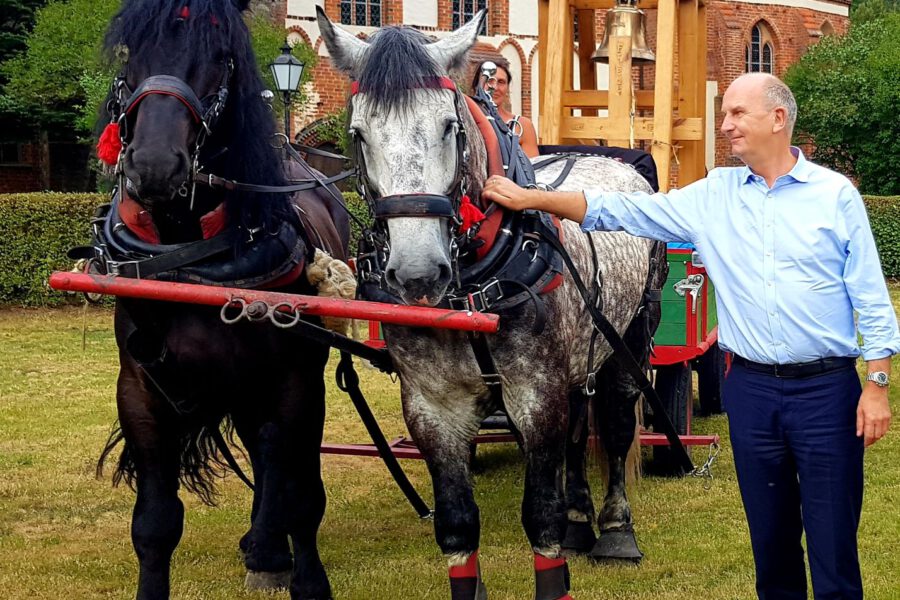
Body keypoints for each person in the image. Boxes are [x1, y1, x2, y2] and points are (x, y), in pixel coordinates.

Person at [482, 72, 898, 600]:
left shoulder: (835, 197)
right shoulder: (713, 197)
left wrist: (877, 382)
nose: (724, 125)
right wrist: (532, 197)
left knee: (834, 545)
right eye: (724, 114)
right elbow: (619, 211)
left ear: (778, 119)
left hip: (825, 393)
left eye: (736, 113)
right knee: (771, 547)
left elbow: (869, 296)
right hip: (751, 392)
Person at [471, 60, 539, 158]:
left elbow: (533, 169)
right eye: (489, 80)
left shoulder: (522, 126)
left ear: (507, 88)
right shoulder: (464, 121)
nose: (494, 87)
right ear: (477, 85)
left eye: (501, 82)